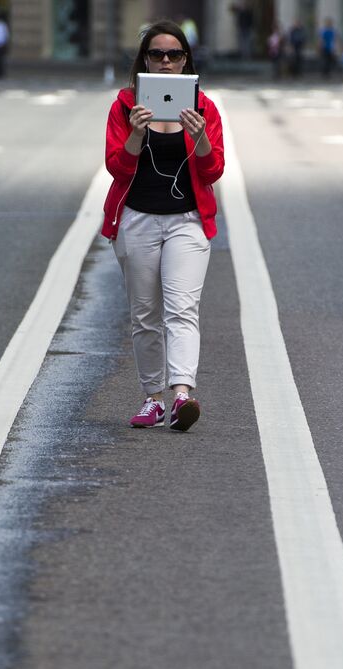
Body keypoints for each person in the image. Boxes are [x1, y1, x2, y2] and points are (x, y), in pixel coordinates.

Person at [101, 20, 224, 431]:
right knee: (145, 315)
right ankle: (152, 398)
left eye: (174, 54)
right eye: (157, 54)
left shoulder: (203, 107)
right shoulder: (125, 106)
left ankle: (182, 396)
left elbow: (214, 169)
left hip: (187, 222)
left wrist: (201, 136)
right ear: (144, 60)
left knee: (182, 308)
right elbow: (116, 167)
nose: (166, 62)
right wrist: (136, 134)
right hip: (137, 220)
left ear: (186, 59)